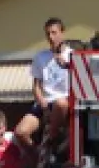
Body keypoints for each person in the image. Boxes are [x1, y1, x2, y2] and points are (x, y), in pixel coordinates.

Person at [20, 18, 72, 151]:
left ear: (62, 33)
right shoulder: (40, 56)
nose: (51, 37)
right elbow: (36, 85)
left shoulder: (73, 55)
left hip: (64, 103)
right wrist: (43, 105)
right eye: (48, 34)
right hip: (45, 102)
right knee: (21, 132)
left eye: (54, 33)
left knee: (61, 103)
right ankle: (37, 154)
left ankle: (52, 139)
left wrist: (67, 64)